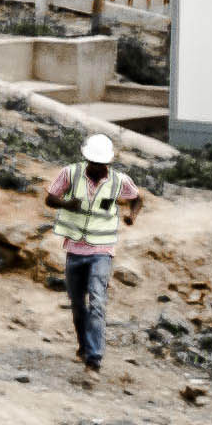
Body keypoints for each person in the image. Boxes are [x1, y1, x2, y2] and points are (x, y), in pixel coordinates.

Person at [43, 132, 146, 374]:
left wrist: (133, 215)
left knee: (97, 301)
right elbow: (50, 198)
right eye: (93, 163)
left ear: (108, 163)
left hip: (102, 250)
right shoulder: (71, 173)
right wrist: (67, 204)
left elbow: (137, 198)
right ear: (87, 160)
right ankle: (83, 347)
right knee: (78, 304)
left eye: (101, 164)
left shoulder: (119, 181)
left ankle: (94, 358)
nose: (97, 167)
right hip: (75, 248)